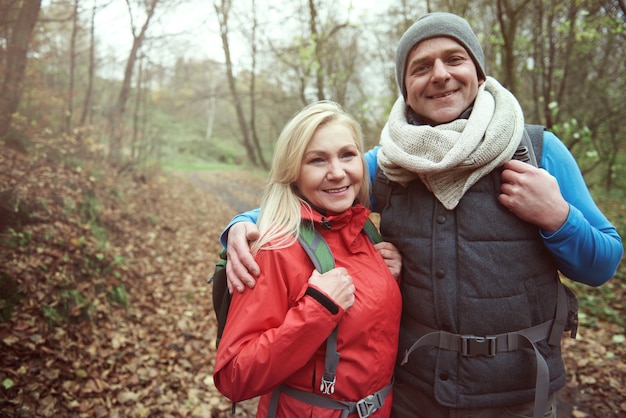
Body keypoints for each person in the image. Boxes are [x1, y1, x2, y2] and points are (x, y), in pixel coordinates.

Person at [220, 13, 623, 418]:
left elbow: (602, 264)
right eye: (421, 67)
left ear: (479, 74)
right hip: (413, 395)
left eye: (455, 59)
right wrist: (243, 223)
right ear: (406, 88)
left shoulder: (537, 151)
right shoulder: (391, 163)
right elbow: (315, 187)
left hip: (518, 395)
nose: (440, 75)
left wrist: (558, 216)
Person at [213, 100, 402, 418]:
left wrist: (386, 278)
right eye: (317, 160)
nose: (338, 172)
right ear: (293, 172)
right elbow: (234, 376)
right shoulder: (275, 249)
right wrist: (317, 309)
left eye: (347, 155)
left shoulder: (366, 231)